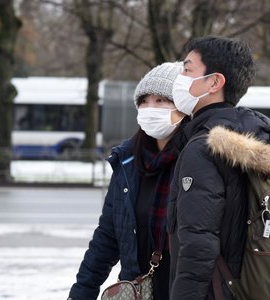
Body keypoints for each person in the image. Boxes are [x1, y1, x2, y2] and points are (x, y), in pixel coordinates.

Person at [167, 36, 270, 299]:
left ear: (215, 82)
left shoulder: (204, 149)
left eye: (187, 69)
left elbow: (198, 245)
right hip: (254, 285)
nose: (179, 78)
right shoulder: (261, 139)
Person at [67, 62, 187, 300]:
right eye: (144, 101)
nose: (150, 108)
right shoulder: (128, 161)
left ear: (184, 107)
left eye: (161, 100)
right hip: (139, 289)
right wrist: (82, 292)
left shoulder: (197, 160)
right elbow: (107, 236)